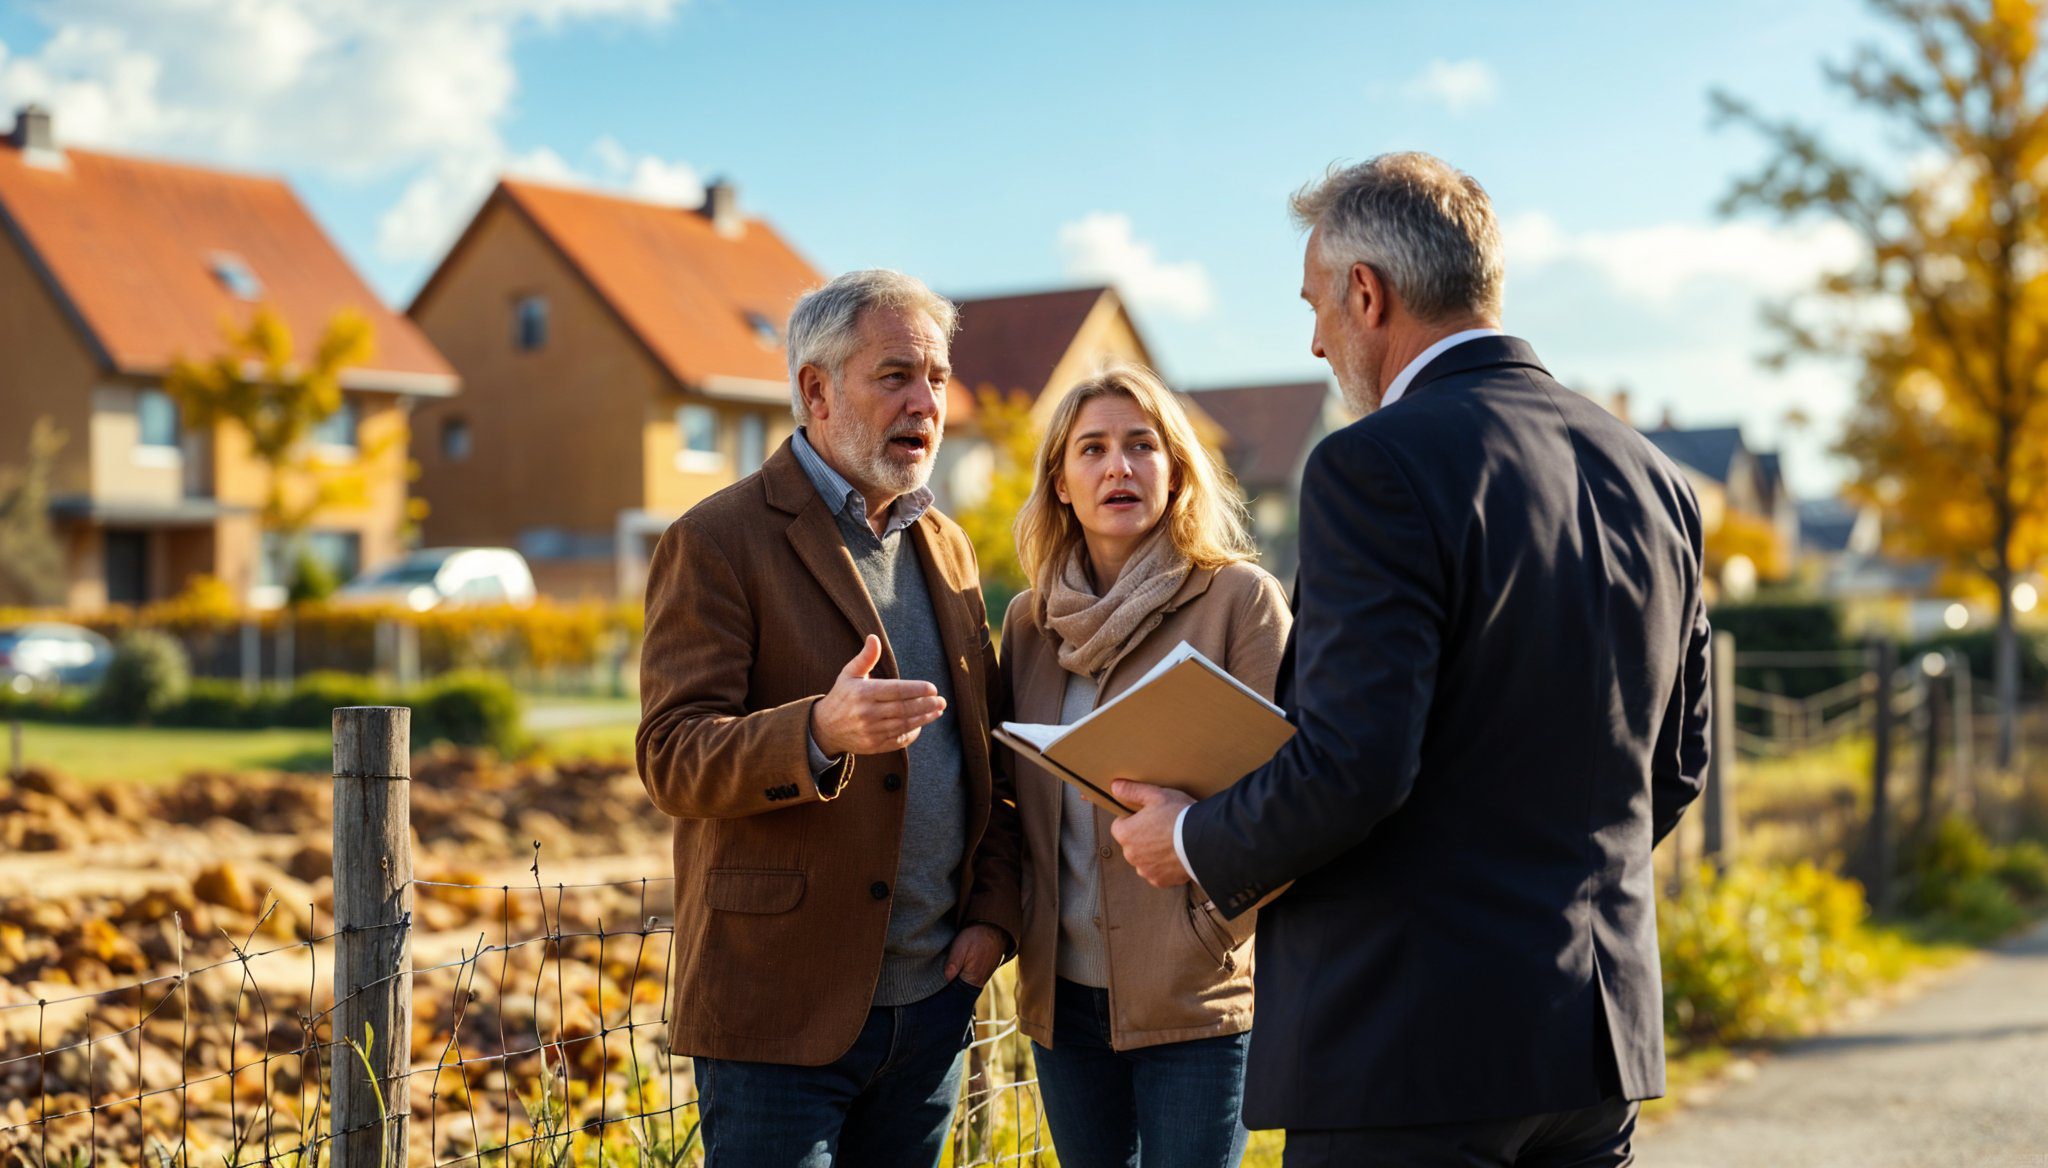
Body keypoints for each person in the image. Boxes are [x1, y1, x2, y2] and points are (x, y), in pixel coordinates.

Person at [1110, 152, 1713, 1167]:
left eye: (1314, 305)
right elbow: (1678, 759)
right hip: (1593, 1040)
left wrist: (1197, 837)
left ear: (1365, 292)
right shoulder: (1652, 474)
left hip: (1410, 1046)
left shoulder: (1370, 463)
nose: (1312, 339)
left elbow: (1356, 763)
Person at [636, 268, 1022, 1168]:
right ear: (816, 388)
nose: (926, 401)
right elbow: (671, 758)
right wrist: (817, 733)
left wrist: (993, 920)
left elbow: (988, 756)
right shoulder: (718, 539)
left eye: (936, 376)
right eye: (896, 375)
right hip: (778, 1014)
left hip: (931, 1004)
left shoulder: (949, 545)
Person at [997, 364, 1290, 1168]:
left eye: (1140, 445)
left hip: (1197, 996)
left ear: (1176, 468)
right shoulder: (1029, 623)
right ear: (1060, 481)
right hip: (1064, 1006)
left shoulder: (1240, 601)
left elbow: (1297, 797)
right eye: (1091, 449)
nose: (1117, 468)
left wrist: (1212, 930)